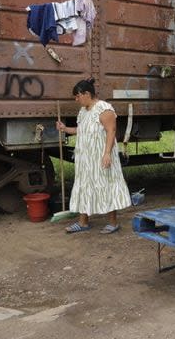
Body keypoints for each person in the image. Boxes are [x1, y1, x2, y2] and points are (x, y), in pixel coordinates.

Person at [56, 77, 131, 234]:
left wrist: (107, 154)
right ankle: (83, 223)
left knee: (106, 185)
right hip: (85, 159)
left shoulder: (104, 109)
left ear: (87, 94)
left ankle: (113, 222)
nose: (76, 100)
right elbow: (81, 130)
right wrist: (64, 128)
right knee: (84, 185)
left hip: (101, 156)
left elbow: (111, 131)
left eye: (77, 96)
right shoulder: (84, 111)